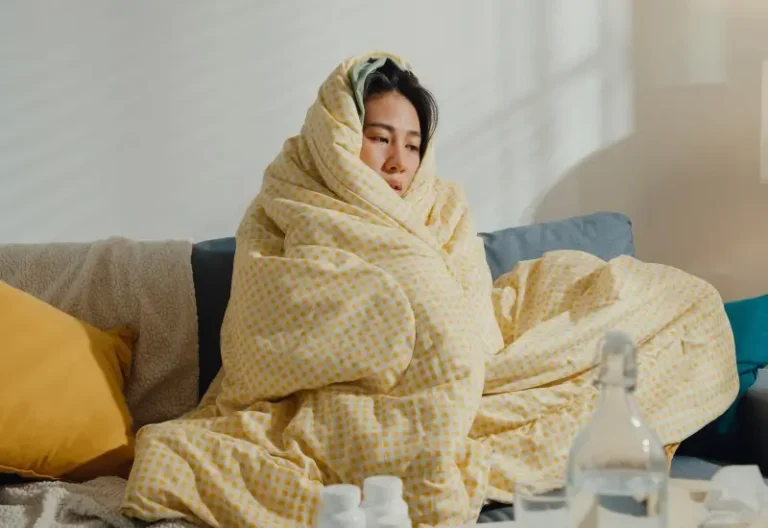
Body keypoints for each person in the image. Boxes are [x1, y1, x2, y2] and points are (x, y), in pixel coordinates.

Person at [121, 53, 738, 528]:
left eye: (413, 145)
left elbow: (469, 320)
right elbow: (259, 337)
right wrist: (386, 321)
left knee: (683, 304)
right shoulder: (284, 206)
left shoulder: (443, 208)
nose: (397, 162)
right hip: (341, 397)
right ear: (336, 134)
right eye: (379, 136)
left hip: (475, 363)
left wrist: (433, 325)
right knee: (170, 455)